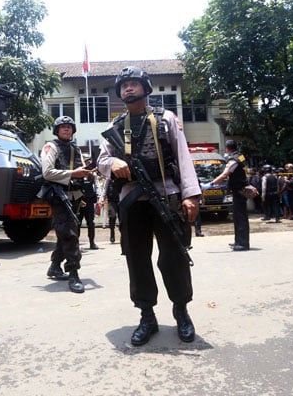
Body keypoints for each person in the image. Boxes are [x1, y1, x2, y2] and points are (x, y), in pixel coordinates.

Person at [97, 66, 200, 346]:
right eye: (124, 85)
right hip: (133, 202)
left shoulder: (166, 119)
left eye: (134, 83)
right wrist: (112, 163)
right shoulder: (116, 127)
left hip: (166, 196)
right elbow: (101, 160)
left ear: (146, 88)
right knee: (137, 259)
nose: (128, 88)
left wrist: (190, 195)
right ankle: (147, 316)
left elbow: (183, 157)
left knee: (174, 257)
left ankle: (181, 311)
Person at [40, 115, 93, 293]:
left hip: (74, 196)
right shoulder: (50, 147)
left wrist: (81, 189)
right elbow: (47, 173)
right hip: (58, 195)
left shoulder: (75, 149)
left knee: (67, 232)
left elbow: (78, 175)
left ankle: (55, 266)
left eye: (69, 126)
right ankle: (73, 274)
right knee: (70, 234)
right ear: (56, 130)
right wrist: (74, 173)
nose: (66, 129)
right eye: (62, 126)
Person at [206, 140, 251, 251]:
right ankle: (238, 241)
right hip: (240, 189)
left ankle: (243, 243)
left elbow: (225, 174)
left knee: (240, 217)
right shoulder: (240, 156)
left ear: (227, 148)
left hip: (239, 190)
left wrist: (211, 184)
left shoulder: (233, 160)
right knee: (238, 217)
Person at [77, 154, 99, 249]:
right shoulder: (78, 173)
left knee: (91, 222)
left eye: (89, 160)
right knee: (77, 223)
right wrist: (79, 200)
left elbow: (97, 187)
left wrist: (99, 200)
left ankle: (92, 242)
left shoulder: (93, 175)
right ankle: (75, 244)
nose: (89, 162)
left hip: (90, 202)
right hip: (79, 202)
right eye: (87, 160)